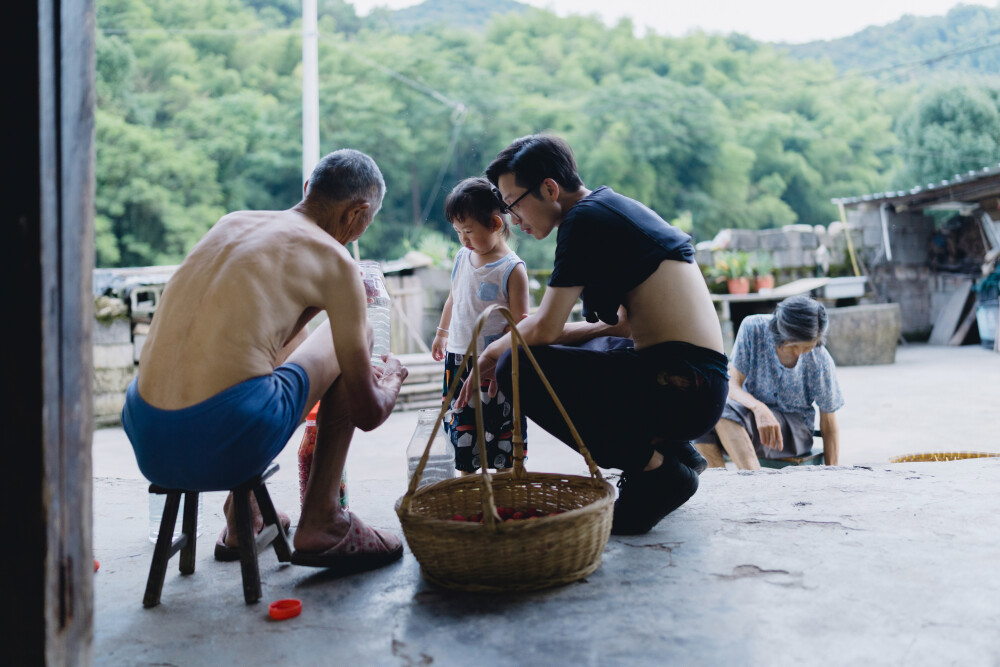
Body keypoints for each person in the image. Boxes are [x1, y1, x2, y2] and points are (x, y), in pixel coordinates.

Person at [122, 149, 409, 571]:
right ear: (358, 213)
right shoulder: (335, 262)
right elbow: (367, 412)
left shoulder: (232, 223)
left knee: (281, 338)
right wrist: (391, 379)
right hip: (223, 439)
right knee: (355, 334)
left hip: (147, 437)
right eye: (367, 222)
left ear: (308, 189)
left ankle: (244, 517)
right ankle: (325, 519)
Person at [456, 134, 729, 535]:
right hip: (694, 384)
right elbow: (619, 326)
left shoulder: (584, 220)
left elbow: (546, 327)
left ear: (549, 188)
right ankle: (673, 451)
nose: (514, 219)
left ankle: (659, 472)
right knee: (589, 344)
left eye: (514, 204)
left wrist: (495, 350)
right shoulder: (605, 209)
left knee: (519, 366)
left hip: (684, 386)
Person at [431, 178, 531, 475]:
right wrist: (441, 333)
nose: (463, 239)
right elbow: (454, 297)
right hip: (458, 357)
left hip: (495, 363)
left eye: (470, 231)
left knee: (500, 424)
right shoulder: (462, 258)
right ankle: (467, 479)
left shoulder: (512, 269)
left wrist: (502, 356)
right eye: (459, 232)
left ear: (496, 224)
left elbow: (519, 322)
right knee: (462, 421)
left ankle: (506, 479)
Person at [694, 296, 843, 469]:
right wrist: (759, 408)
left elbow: (829, 422)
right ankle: (728, 486)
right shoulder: (754, 328)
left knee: (720, 412)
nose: (798, 353)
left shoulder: (820, 358)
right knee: (706, 408)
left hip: (795, 431)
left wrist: (833, 470)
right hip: (750, 417)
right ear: (779, 332)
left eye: (806, 348)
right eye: (793, 346)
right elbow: (731, 384)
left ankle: (755, 483)